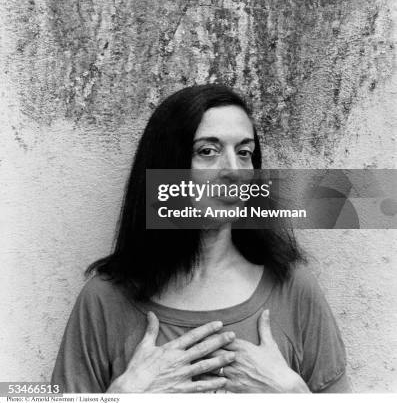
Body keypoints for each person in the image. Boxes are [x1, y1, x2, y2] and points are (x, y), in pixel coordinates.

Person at [51, 84, 351, 393]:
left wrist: (292, 396)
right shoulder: (104, 300)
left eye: (245, 153)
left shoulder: (293, 288)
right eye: (208, 151)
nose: (234, 172)